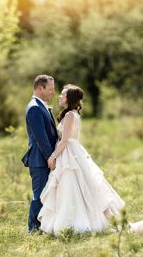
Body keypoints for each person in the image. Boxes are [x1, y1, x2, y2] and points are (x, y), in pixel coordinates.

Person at [38, 86, 125, 237]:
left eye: (63, 94)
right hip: (70, 152)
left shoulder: (71, 116)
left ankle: (77, 221)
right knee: (74, 187)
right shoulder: (69, 114)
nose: (59, 96)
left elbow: (65, 141)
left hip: (70, 153)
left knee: (76, 185)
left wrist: (52, 157)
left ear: (69, 98)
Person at [22, 74, 60, 233]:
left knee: (46, 194)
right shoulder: (35, 108)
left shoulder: (42, 105)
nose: (53, 92)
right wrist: (50, 157)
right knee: (40, 195)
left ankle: (44, 226)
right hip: (40, 159)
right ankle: (33, 228)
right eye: (50, 89)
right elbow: (41, 138)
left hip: (46, 159)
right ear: (40, 88)